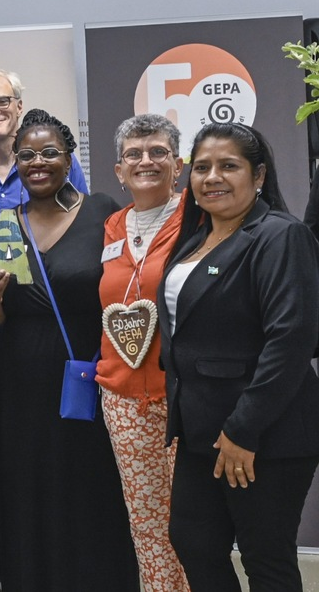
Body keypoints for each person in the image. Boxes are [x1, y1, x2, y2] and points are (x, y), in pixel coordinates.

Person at [0, 109, 137, 591]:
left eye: (50, 153)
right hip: (18, 375)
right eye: (26, 155)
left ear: (69, 160)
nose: (37, 162)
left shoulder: (102, 212)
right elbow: (1, 314)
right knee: (26, 481)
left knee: (88, 480)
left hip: (86, 371)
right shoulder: (9, 222)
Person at [159, 123, 319, 592]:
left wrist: (242, 430)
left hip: (263, 433)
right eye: (202, 167)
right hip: (200, 432)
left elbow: (289, 340)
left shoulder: (278, 237)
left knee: (265, 558)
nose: (213, 177)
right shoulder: (195, 237)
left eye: (229, 166)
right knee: (192, 542)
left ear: (260, 175)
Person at [0, 68, 89, 592]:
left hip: (54, 342)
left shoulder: (62, 167)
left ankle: (63, 556)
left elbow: (79, 239)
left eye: (1, 101)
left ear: (18, 105)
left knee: (62, 457)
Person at [97, 114, 188, 591]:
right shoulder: (111, 225)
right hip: (124, 400)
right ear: (119, 169)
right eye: (134, 153)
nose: (146, 161)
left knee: (193, 525)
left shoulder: (197, 216)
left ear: (178, 163)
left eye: (158, 152)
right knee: (147, 525)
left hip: (184, 396)